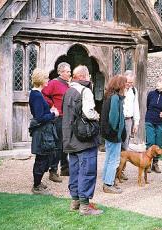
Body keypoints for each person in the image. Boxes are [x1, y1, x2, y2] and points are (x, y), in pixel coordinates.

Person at [62, 65, 103, 215]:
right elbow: (88, 112)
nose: (89, 78)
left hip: (70, 138)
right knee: (87, 171)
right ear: (83, 76)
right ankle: (85, 207)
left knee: (75, 170)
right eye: (88, 76)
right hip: (84, 139)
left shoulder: (68, 91)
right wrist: (96, 116)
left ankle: (75, 202)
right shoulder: (85, 90)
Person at [29, 68, 59, 195]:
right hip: (41, 132)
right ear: (41, 80)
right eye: (46, 78)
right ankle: (36, 187)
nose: (48, 80)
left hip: (44, 130)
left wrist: (49, 110)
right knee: (41, 158)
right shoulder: (36, 95)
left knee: (45, 157)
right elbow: (39, 117)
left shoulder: (38, 94)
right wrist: (53, 114)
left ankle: (38, 182)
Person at [42, 62, 71, 182]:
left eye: (70, 71)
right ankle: (53, 171)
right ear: (60, 72)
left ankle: (64, 168)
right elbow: (43, 95)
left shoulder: (68, 85)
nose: (70, 73)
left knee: (65, 145)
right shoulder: (53, 83)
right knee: (58, 146)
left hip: (67, 118)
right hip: (58, 118)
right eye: (68, 71)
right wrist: (52, 106)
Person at [101, 75, 127, 194]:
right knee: (114, 160)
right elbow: (114, 118)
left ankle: (107, 181)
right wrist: (118, 132)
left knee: (109, 158)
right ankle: (108, 184)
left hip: (109, 134)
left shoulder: (109, 96)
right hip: (113, 134)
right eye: (124, 84)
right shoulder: (115, 98)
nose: (125, 86)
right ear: (119, 85)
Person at [145, 77, 162, 173]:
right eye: (158, 81)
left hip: (161, 123)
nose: (157, 83)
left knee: (158, 144)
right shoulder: (151, 94)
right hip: (149, 120)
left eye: (160, 81)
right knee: (150, 142)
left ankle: (155, 163)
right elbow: (148, 105)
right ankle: (147, 163)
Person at [122, 71, 140, 149]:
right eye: (128, 82)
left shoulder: (134, 90)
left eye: (131, 83)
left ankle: (123, 161)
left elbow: (136, 106)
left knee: (126, 143)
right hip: (119, 120)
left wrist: (136, 123)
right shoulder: (118, 88)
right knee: (117, 143)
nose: (129, 84)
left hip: (128, 120)